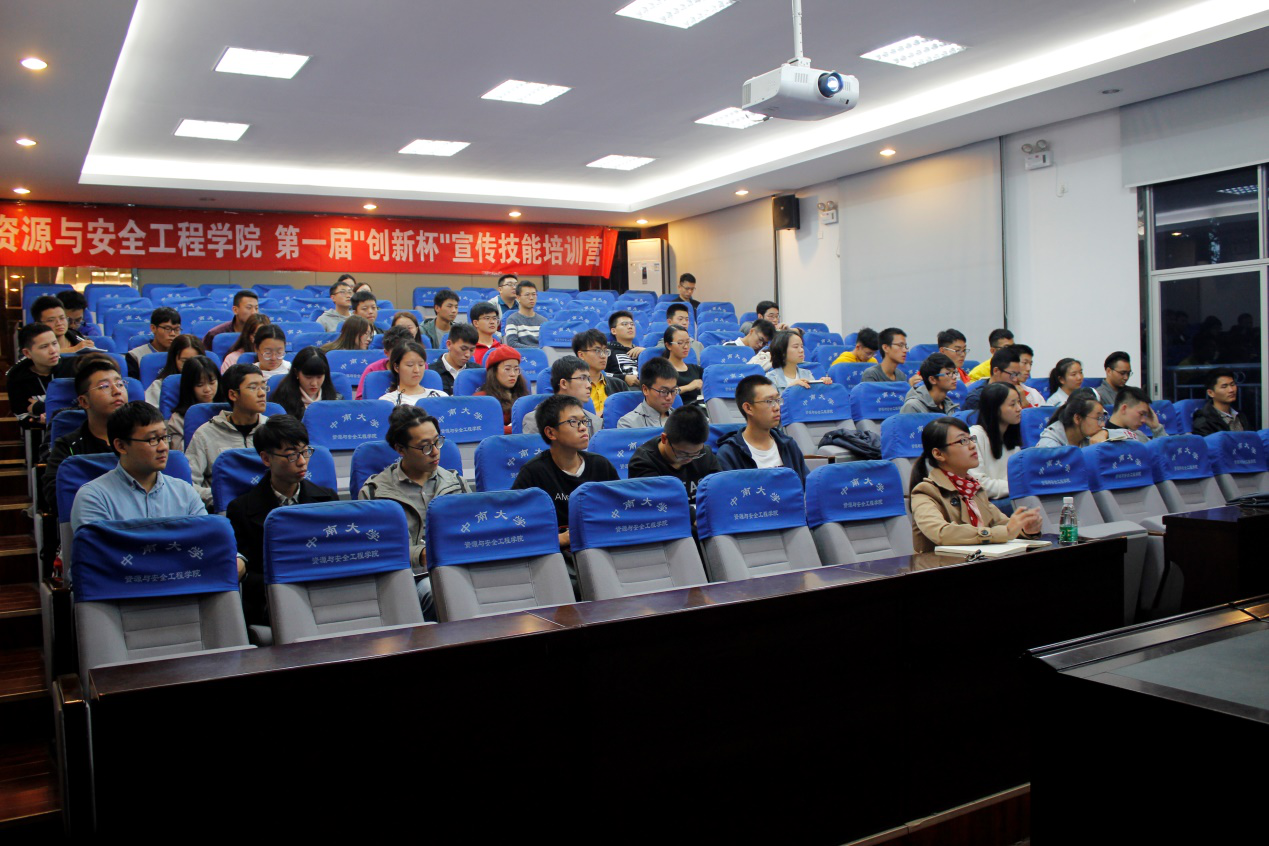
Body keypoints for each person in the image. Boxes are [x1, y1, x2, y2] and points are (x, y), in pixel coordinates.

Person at [226, 416, 338, 625]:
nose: (302, 461)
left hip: (324, 594)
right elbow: (248, 574)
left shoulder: (328, 499)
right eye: (292, 455)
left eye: (305, 452)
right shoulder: (240, 509)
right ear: (266, 459)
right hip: (271, 602)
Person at [360, 406, 473, 613]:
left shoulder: (456, 483)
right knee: (437, 590)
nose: (435, 452)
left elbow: (473, 531)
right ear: (400, 449)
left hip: (456, 568)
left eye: (437, 442)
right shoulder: (376, 492)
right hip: (406, 578)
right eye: (425, 447)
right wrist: (419, 555)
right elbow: (373, 549)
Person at [908, 416, 1042, 553]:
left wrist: (1025, 529)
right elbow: (941, 533)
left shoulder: (973, 489)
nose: (972, 445)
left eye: (971, 439)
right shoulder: (925, 492)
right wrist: (1004, 532)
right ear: (938, 454)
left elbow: (1004, 524)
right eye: (963, 441)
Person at [69, 401, 206, 535]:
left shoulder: (185, 493)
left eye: (164, 437)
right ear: (121, 446)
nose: (163, 447)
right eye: (152, 439)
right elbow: (98, 548)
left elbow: (204, 540)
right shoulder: (94, 497)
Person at [512, 394, 618, 551]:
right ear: (551, 433)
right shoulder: (533, 472)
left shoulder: (601, 465)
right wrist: (558, 539)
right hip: (555, 553)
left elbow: (618, 511)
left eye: (584, 421)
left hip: (599, 546)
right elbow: (516, 525)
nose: (583, 427)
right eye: (573, 422)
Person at [41, 357, 128, 523]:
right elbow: (57, 495)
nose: (117, 391)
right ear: (83, 401)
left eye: (120, 384)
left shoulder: (142, 438)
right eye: (104, 386)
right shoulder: (68, 447)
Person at [186, 364, 271, 508]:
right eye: (253, 387)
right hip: (225, 510)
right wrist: (223, 497)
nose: (262, 393)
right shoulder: (205, 434)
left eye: (263, 387)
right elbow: (188, 484)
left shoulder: (272, 430)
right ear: (233, 395)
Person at [715, 374, 810, 483]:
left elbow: (805, 486)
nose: (777, 407)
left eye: (778, 400)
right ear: (748, 408)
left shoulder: (788, 445)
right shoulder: (730, 454)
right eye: (769, 401)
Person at [627, 404, 720, 510]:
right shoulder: (643, 463)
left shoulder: (705, 454)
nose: (689, 459)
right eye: (682, 453)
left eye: (696, 453)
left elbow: (719, 491)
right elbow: (657, 506)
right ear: (664, 439)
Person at [9, 322, 73, 434]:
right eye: (44, 347)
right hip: (42, 434)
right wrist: (39, 420)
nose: (53, 350)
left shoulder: (73, 368)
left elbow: (84, 407)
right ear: (27, 353)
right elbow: (22, 417)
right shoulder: (17, 377)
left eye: (54, 343)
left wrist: (43, 408)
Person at [968, 383, 1023, 503]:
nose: (1019, 408)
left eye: (1019, 402)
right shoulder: (975, 436)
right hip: (986, 503)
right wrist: (1018, 487)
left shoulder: (1011, 436)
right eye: (1012, 404)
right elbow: (978, 484)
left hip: (1011, 496)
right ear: (995, 408)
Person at [523, 356, 602, 435]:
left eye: (588, 379)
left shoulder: (596, 422)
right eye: (582, 378)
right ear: (564, 383)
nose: (589, 385)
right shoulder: (536, 421)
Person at [270, 346, 340, 419]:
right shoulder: (282, 401)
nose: (314, 383)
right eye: (308, 377)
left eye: (319, 377)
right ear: (296, 373)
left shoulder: (335, 400)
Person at [167, 355, 219, 451]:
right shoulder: (178, 419)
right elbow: (181, 452)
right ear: (189, 386)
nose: (207, 389)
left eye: (212, 383)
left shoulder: (228, 410)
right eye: (200, 385)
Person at [573, 328, 627, 416]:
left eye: (605, 351)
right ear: (581, 355)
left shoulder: (619, 385)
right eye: (597, 351)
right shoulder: (573, 386)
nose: (603, 356)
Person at [474, 345, 528, 433]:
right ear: (494, 371)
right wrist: (519, 428)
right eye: (507, 369)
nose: (513, 374)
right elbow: (486, 428)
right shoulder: (481, 399)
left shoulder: (524, 397)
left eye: (516, 369)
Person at [355, 325, 415, 399]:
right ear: (386, 353)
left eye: (407, 352)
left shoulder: (419, 367)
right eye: (397, 353)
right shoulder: (372, 370)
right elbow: (361, 400)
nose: (403, 357)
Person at [379, 340, 446, 406]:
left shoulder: (440, 396)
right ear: (396, 367)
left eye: (421, 365)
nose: (416, 370)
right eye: (410, 365)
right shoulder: (388, 402)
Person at [144, 333, 204, 407]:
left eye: (196, 361)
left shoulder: (209, 385)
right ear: (174, 360)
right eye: (184, 361)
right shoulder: (159, 386)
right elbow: (150, 412)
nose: (190, 366)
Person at [618, 358, 679, 429]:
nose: (669, 397)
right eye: (663, 391)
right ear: (645, 390)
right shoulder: (628, 424)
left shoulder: (681, 419)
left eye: (673, 391)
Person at [1036, 388, 1108, 448]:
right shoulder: (1049, 447)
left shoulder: (1090, 436)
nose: (1103, 424)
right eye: (1098, 418)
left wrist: (1104, 432)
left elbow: (1115, 432)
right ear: (1077, 418)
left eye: (1103, 418)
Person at [126, 307, 182, 379]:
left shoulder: (183, 354)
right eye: (167, 328)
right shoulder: (135, 356)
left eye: (177, 329)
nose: (173, 334)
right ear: (153, 328)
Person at [1191, 367, 1250, 435]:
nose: (1231, 390)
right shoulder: (1204, 421)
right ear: (1210, 393)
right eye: (1224, 386)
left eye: (1232, 384)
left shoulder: (1240, 415)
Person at [434, 323, 482, 394]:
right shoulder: (432, 372)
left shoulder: (478, 372)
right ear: (449, 344)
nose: (468, 354)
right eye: (463, 349)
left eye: (471, 350)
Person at [663, 326, 704, 406]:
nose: (686, 347)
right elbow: (665, 393)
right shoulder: (662, 370)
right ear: (668, 345)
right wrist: (689, 387)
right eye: (680, 343)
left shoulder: (696, 369)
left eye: (688, 342)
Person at [605, 310, 644, 386]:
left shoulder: (642, 351)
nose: (630, 327)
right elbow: (599, 374)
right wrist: (624, 378)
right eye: (624, 324)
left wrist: (647, 352)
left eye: (632, 324)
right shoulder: (608, 351)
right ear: (613, 331)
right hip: (620, 388)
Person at [504, 280, 547, 348]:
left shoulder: (544, 321)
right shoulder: (512, 320)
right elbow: (512, 344)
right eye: (527, 295)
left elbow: (547, 344)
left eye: (534, 294)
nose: (531, 298)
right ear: (518, 298)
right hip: (521, 354)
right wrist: (536, 350)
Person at [467, 301, 504, 366]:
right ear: (476, 323)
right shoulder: (468, 351)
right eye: (487, 318)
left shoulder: (504, 349)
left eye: (494, 318)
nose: (492, 322)